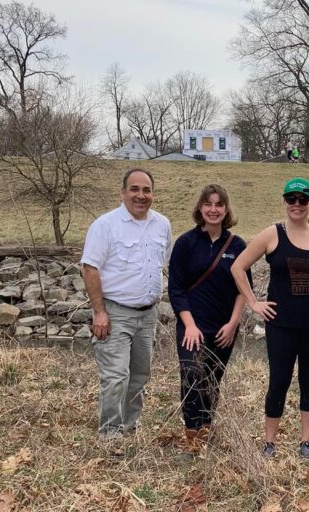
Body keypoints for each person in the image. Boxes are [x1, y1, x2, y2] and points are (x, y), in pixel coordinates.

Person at [231, 177, 309, 460]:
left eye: (303, 200)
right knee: (279, 380)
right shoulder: (272, 234)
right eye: (292, 199)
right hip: (281, 325)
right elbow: (238, 267)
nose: (297, 205)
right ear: (284, 202)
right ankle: (269, 443)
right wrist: (253, 303)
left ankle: (306, 442)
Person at [81, 168, 172, 440]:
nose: (140, 196)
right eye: (134, 189)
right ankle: (110, 433)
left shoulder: (162, 225)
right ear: (122, 193)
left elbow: (164, 261)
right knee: (116, 376)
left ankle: (130, 427)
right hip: (115, 313)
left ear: (153, 194)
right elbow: (90, 268)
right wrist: (99, 312)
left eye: (146, 190)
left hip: (148, 315)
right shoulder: (105, 225)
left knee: (140, 375)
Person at [168, 184, 250, 445]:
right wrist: (190, 326)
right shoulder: (186, 243)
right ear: (200, 208)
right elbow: (176, 289)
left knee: (213, 379)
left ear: (226, 209)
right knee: (192, 375)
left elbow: (243, 289)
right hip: (192, 325)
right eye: (208, 204)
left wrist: (233, 323)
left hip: (224, 326)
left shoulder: (237, 245)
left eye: (218, 205)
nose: (213, 210)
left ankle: (205, 430)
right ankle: (192, 433)